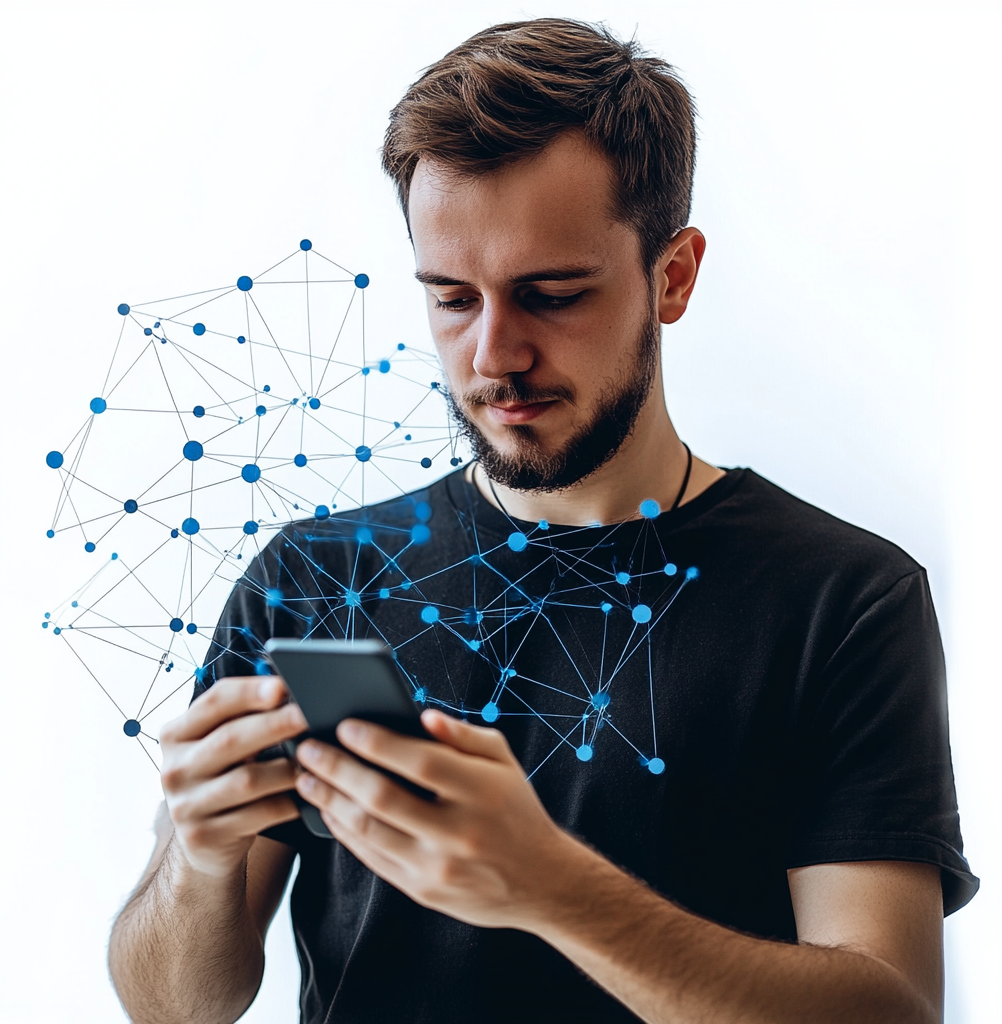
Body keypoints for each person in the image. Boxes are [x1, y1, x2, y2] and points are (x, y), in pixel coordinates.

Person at [108, 18, 976, 1024]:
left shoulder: (840, 599)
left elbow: (893, 1006)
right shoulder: (313, 581)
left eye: (551, 295)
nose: (492, 355)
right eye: (450, 299)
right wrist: (197, 855)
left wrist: (552, 888)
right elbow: (172, 1008)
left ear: (673, 276)